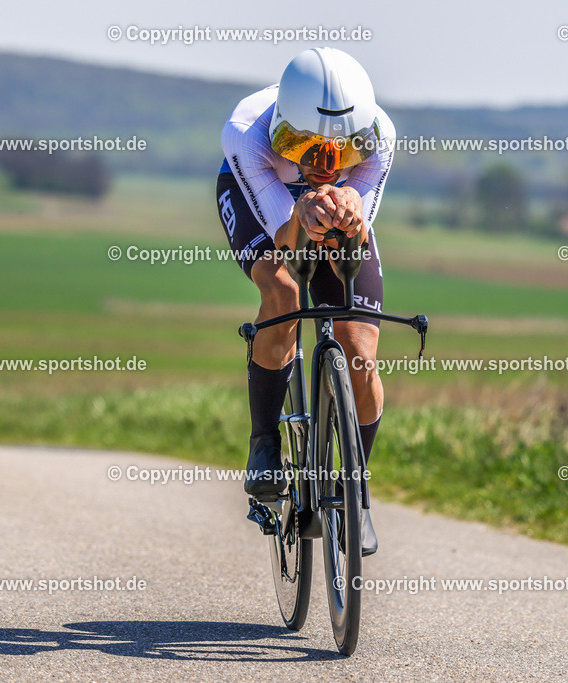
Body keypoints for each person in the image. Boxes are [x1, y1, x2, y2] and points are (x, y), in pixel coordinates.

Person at [215, 48, 395, 555]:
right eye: (306, 146)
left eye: (341, 150)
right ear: (282, 131)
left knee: (358, 345)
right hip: (263, 192)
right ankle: (264, 443)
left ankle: (354, 490)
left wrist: (351, 205)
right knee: (285, 290)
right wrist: (303, 209)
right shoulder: (246, 136)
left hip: (335, 203)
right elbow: (287, 246)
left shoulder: (380, 137)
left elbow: (355, 236)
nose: (322, 163)